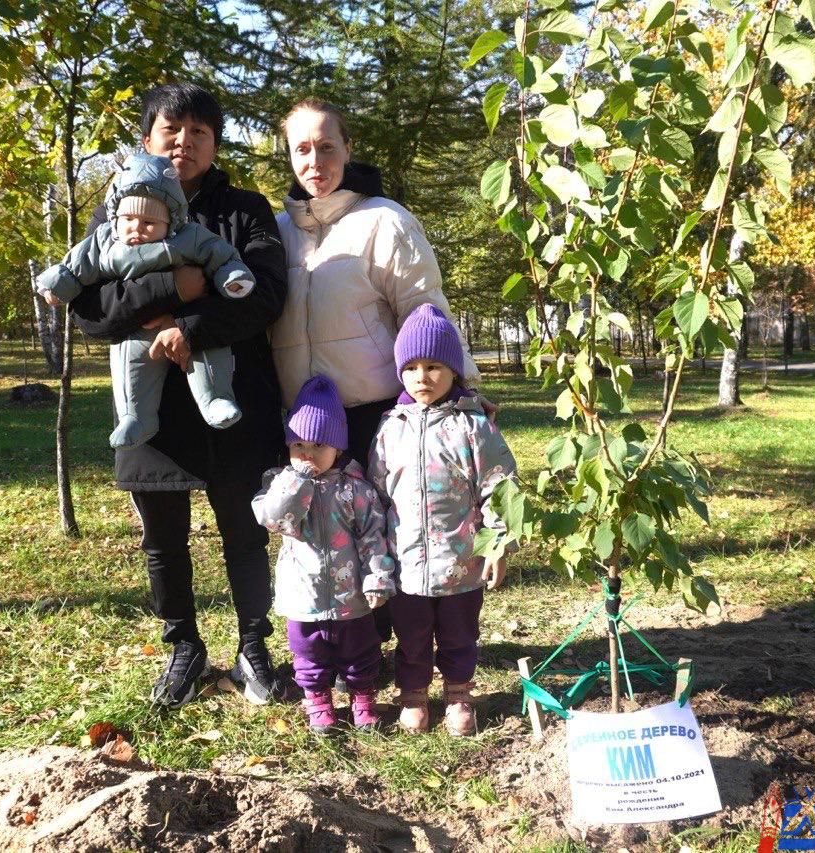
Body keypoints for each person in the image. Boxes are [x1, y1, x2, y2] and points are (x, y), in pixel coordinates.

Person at [69, 83, 287, 708]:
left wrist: (186, 329)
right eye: (172, 130)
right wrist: (180, 287)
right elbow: (92, 308)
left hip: (231, 398)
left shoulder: (247, 210)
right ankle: (184, 649)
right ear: (148, 139)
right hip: (150, 412)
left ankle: (253, 646)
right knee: (162, 540)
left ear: (215, 144)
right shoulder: (115, 209)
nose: (184, 142)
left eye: (199, 132)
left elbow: (267, 295)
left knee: (244, 533)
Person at [272, 97, 482, 644]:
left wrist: (464, 389)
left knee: (381, 531)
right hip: (308, 425)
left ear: (347, 149)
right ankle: (345, 648)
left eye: (326, 146)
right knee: (321, 538)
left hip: (375, 411)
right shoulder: (278, 231)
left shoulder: (385, 220)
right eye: (301, 149)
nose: (315, 160)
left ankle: (400, 643)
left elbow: (424, 310)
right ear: (289, 156)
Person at [367, 304, 518, 736]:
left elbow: (499, 489)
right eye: (411, 367)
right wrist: (376, 555)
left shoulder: (473, 427)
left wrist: (497, 545)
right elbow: (377, 495)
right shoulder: (389, 427)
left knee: (459, 635)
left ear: (453, 370)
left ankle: (458, 694)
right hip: (406, 564)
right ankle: (413, 694)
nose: (422, 377)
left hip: (462, 562)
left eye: (434, 366)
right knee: (411, 637)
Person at [36, 151, 253, 447]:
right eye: (127, 219)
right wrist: (57, 286)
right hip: (135, 329)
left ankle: (215, 400)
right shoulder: (103, 241)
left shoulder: (187, 236)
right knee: (129, 365)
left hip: (192, 323)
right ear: (115, 216)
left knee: (208, 354)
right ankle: (135, 418)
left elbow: (220, 255)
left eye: (149, 222)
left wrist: (232, 277)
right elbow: (76, 266)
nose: (136, 228)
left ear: (170, 222)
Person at [251, 375, 396, 735]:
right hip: (303, 597)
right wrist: (297, 480)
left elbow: (373, 537)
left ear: (338, 448)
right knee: (308, 657)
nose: (307, 454)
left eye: (318, 444)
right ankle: (318, 703)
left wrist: (377, 577)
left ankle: (363, 702)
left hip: (353, 598)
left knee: (362, 653)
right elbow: (273, 519)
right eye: (297, 444)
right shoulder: (280, 482)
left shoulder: (355, 489)